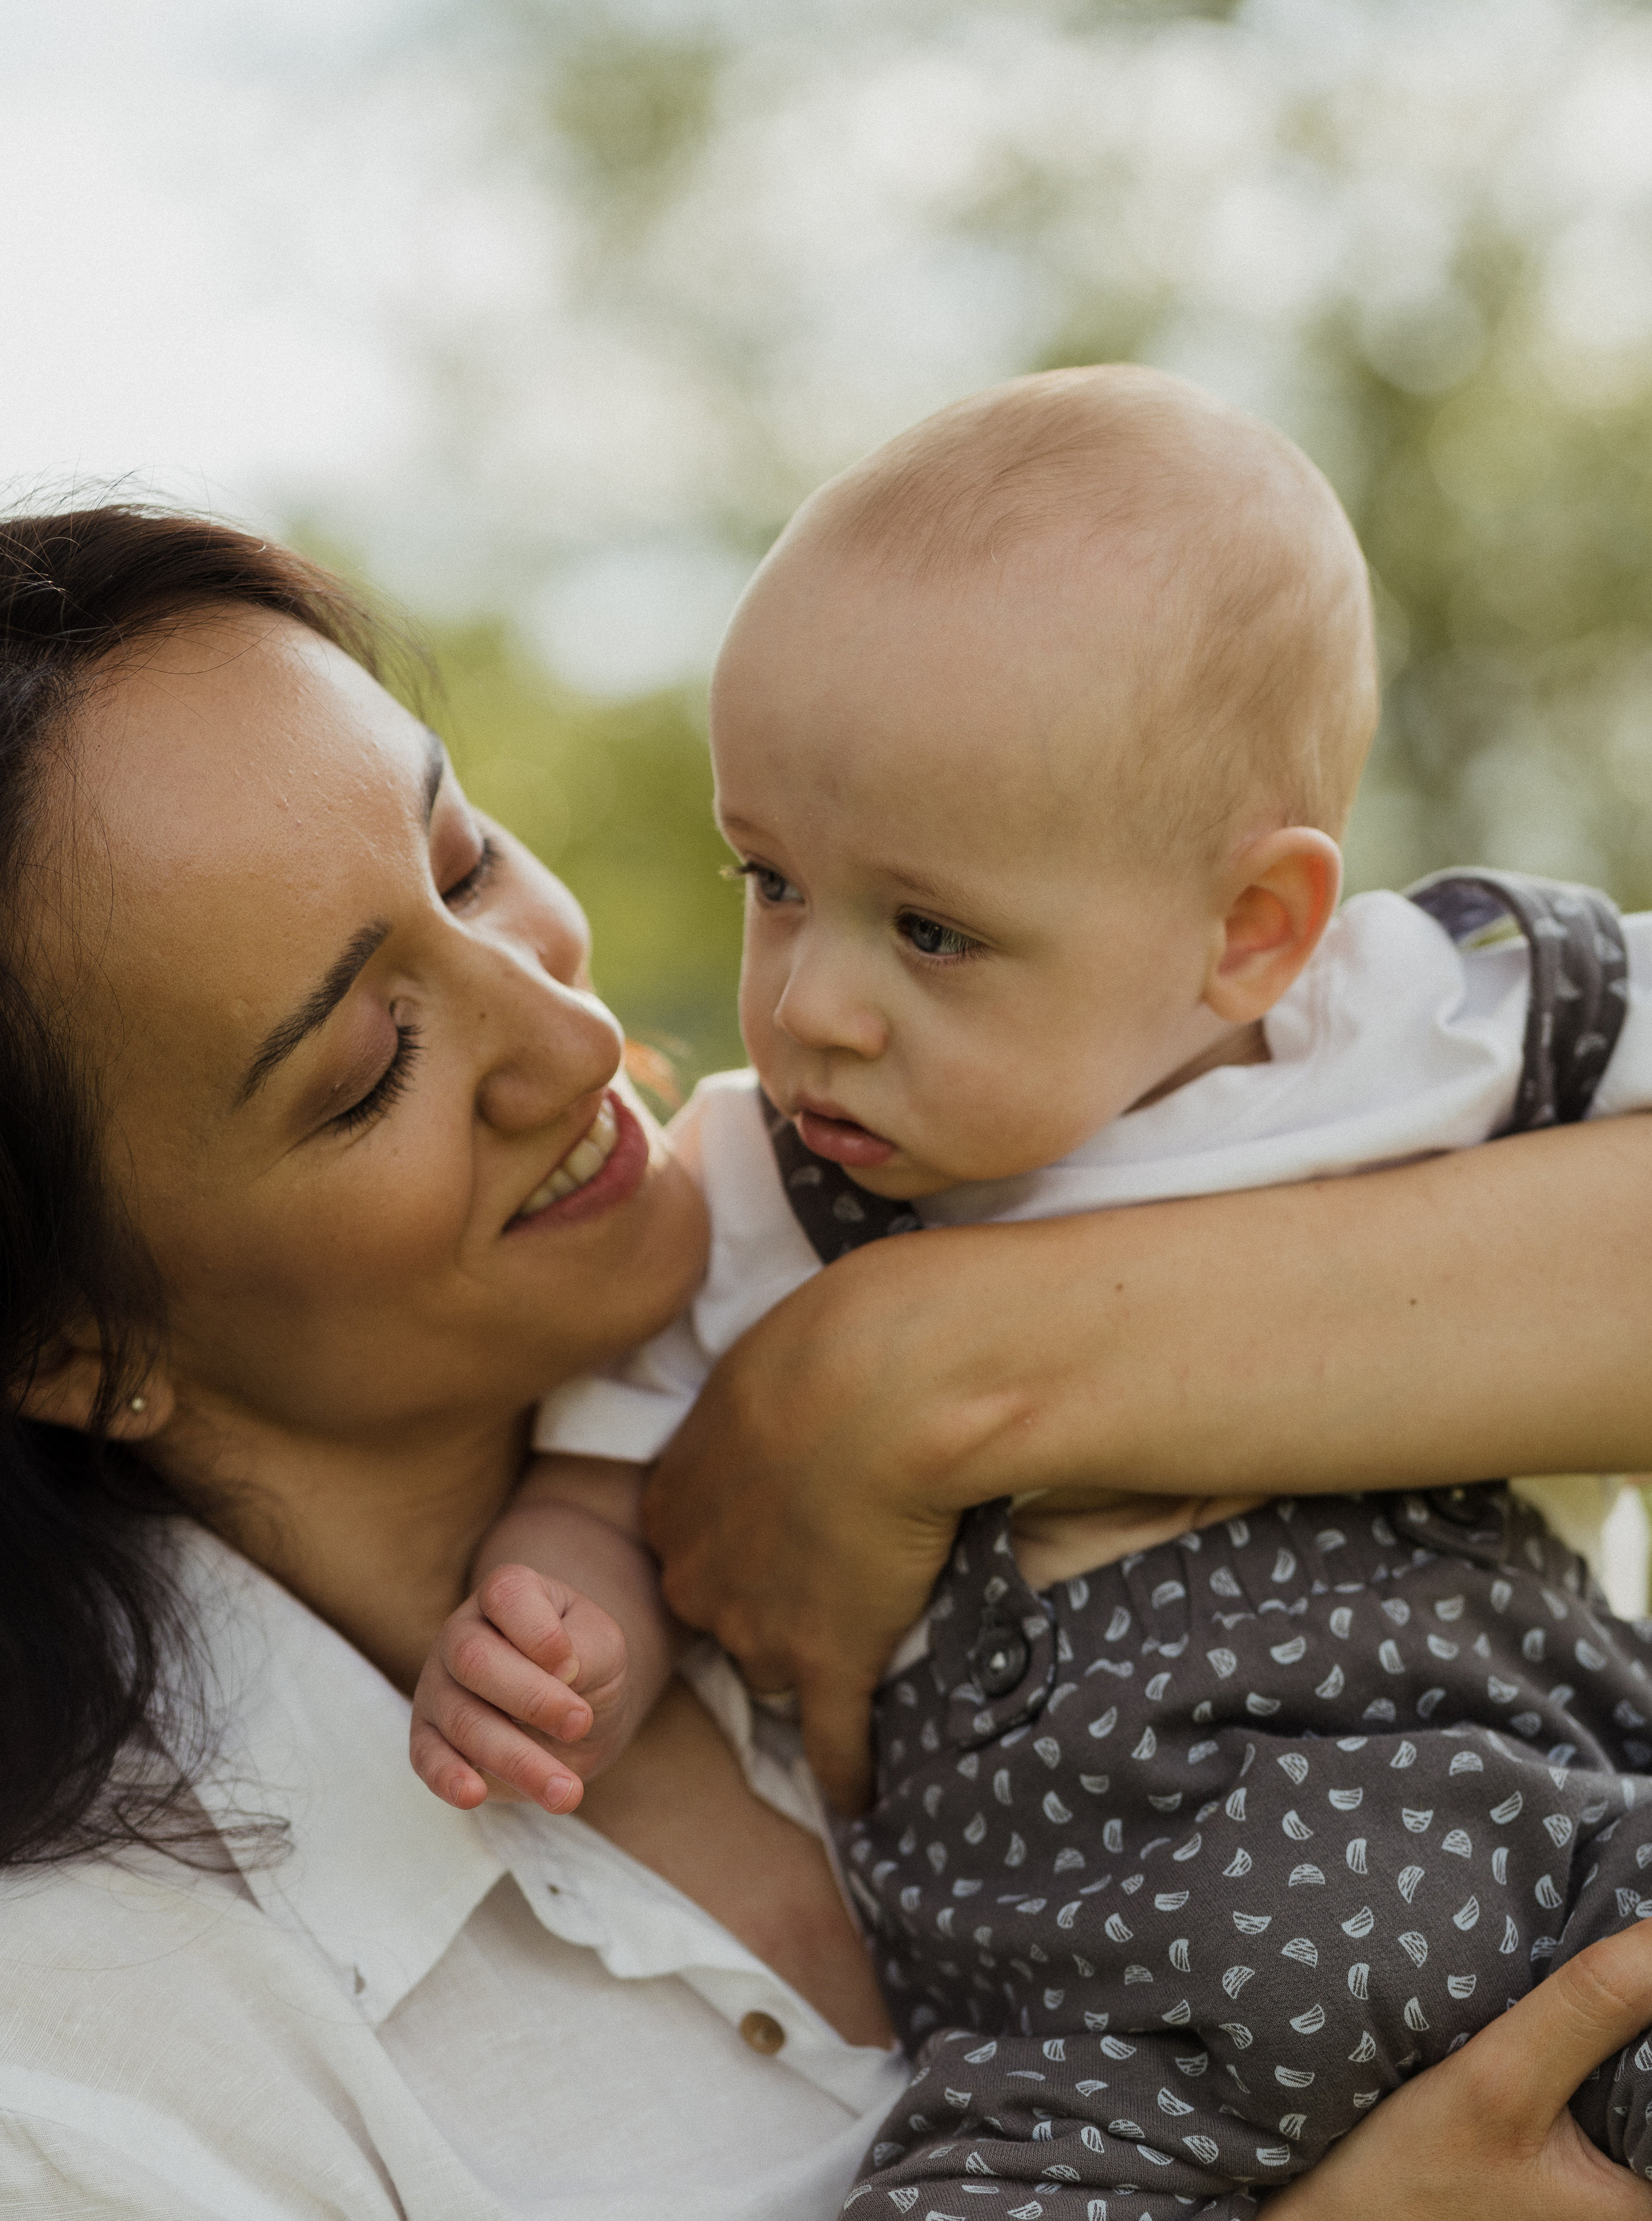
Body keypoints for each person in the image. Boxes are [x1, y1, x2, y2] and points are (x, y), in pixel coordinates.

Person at [0, 500, 1647, 2221]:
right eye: (364, 1064)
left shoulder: (894, 1213)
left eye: (467, 857)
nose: (569, 1033)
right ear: (72, 1345)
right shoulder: (100, 2081)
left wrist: (926, 1364)